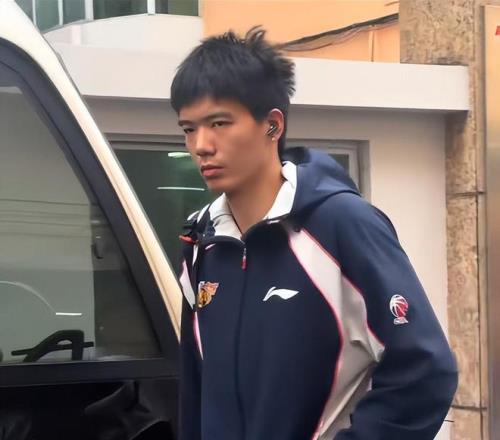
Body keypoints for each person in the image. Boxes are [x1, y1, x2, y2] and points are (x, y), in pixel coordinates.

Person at [170, 27, 458, 440]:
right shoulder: (202, 243)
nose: (201, 145)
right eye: (188, 128)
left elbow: (426, 370)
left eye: (219, 123)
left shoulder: (342, 224)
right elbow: (195, 391)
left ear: (272, 125)